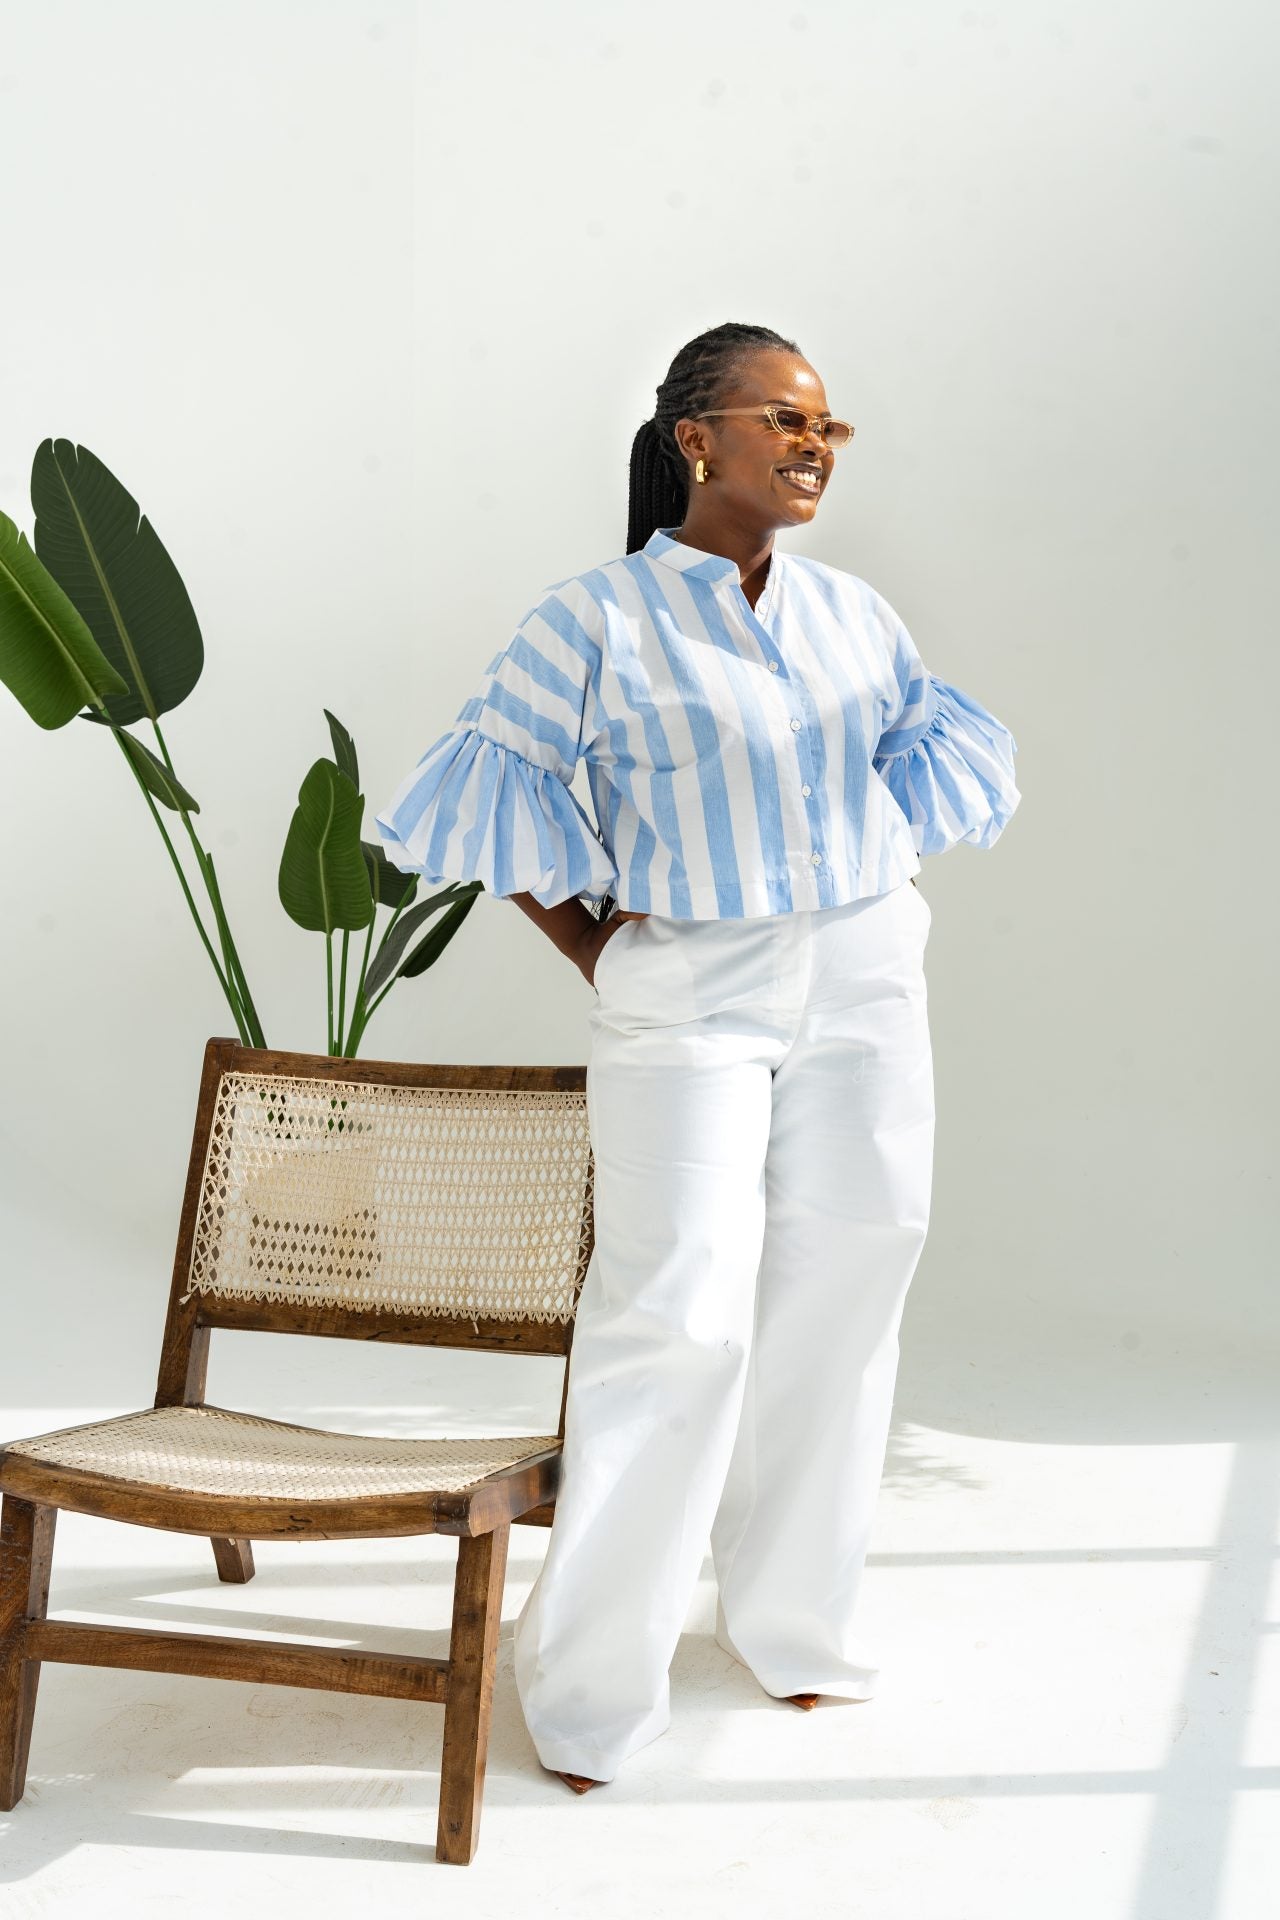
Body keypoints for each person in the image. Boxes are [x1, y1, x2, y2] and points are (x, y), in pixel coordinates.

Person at [375, 321, 1020, 1796]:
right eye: (785, 419)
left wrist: (860, 899)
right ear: (694, 438)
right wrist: (604, 951)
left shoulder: (854, 615)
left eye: (828, 427)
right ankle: (593, 1684)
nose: (813, 446)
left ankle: (793, 1623)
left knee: (851, 1282)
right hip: (690, 989)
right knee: (677, 1312)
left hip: (863, 971)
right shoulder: (591, 622)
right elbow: (483, 786)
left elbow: (919, 761)